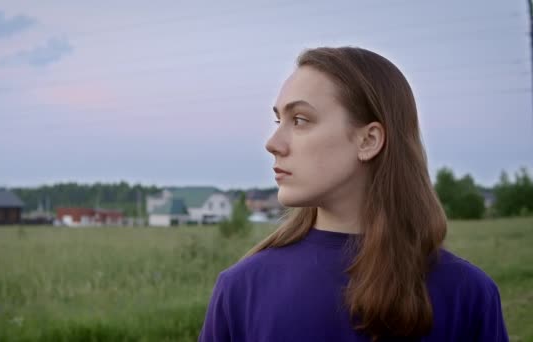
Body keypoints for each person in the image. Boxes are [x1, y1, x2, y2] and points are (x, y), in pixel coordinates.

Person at [198, 47, 508, 341]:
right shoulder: (241, 290)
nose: (272, 143)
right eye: (279, 120)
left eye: (300, 120)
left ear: (368, 140)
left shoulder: (467, 295)